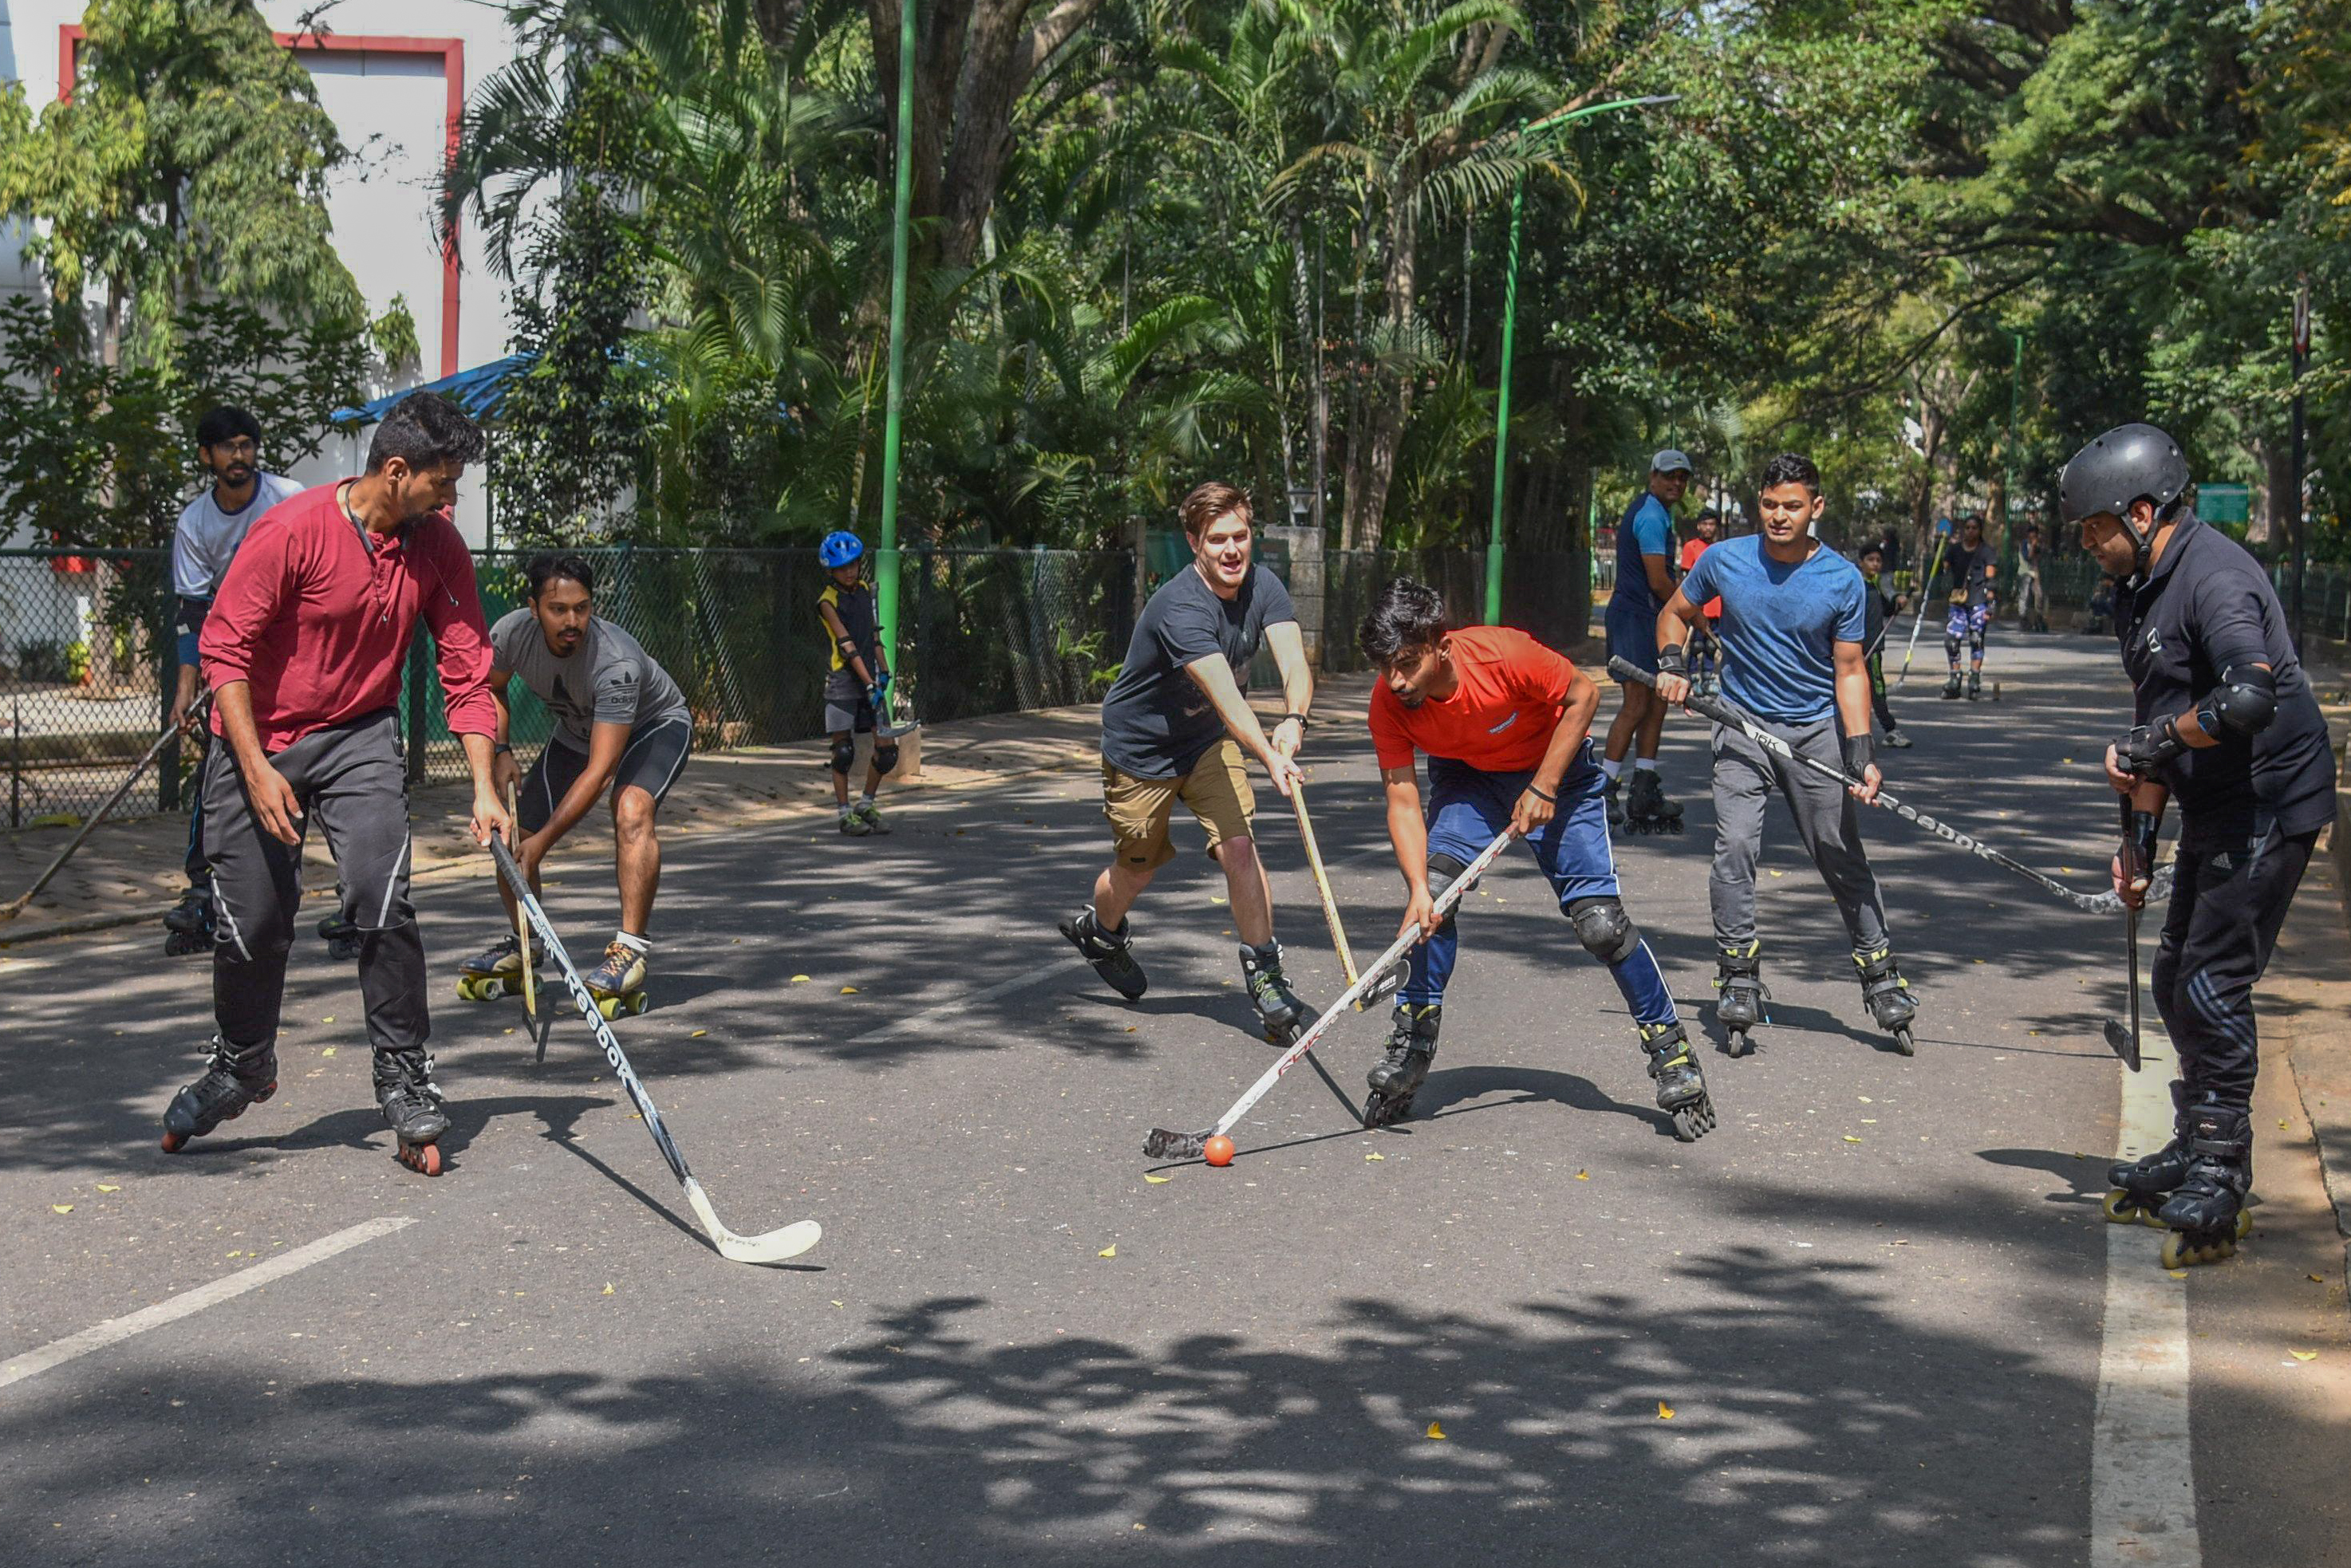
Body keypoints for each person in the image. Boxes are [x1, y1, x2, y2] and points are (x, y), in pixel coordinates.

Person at [160, 394, 507, 1177]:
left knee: (381, 898)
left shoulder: (438, 547)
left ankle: (402, 1070)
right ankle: (243, 1061)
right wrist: (253, 769)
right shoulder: (292, 531)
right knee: (252, 923)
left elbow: (467, 668)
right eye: (441, 484)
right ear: (395, 471)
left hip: (359, 735)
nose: (450, 500)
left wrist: (484, 786)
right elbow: (226, 652)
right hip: (260, 737)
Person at [2065, 423, 2337, 1269]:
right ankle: (2196, 1138)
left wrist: (2157, 744)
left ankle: (2223, 1168)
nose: (2086, 543)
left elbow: (2248, 697)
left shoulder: (2213, 579)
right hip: (2214, 804)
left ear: (2141, 512)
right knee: (2172, 970)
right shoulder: (2140, 585)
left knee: (2213, 982)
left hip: (2268, 803)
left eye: (2093, 527)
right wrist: (2138, 845)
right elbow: (2156, 726)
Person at [1358, 580, 1714, 1140]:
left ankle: (1670, 1051)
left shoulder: (1504, 654)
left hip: (1559, 772)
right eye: (1385, 667)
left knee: (1600, 924)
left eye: (1406, 664)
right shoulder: (1390, 701)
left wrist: (1544, 786)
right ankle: (1412, 1041)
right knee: (1434, 904)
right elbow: (1401, 798)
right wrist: (1417, 890)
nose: (1396, 681)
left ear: (1441, 646)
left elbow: (1584, 696)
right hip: (1469, 781)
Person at [1655, 452, 1920, 1056]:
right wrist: (1671, 664)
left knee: (1837, 851)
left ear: (1815, 508)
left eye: (1793, 506)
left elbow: (1850, 669)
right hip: (1741, 725)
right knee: (1736, 846)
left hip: (1812, 732)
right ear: (1760, 504)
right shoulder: (1724, 560)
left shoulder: (1841, 579)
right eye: (1770, 505)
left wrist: (1859, 754)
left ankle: (1880, 976)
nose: (1779, 516)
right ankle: (1738, 975)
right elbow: (1674, 614)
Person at [1059, 481, 1316, 1042]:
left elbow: (1295, 661)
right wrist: (1270, 756)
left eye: (1240, 536)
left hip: (1205, 744)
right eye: (1217, 539)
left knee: (1239, 845)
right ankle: (1098, 930)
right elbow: (1228, 698)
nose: (1232, 550)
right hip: (1142, 751)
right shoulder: (1179, 607)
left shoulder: (1262, 586)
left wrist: (1294, 720)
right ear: (1194, 541)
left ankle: (1266, 977)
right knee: (1139, 868)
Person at [460, 552, 695, 1014]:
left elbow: (601, 771)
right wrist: (502, 750)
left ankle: (630, 950)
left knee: (630, 810)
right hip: (578, 733)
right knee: (509, 836)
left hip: (655, 727)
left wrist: (545, 842)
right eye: (558, 609)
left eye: (582, 608)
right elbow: (491, 686)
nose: (573, 620)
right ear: (533, 608)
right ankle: (526, 942)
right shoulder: (511, 633)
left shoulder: (615, 660)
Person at [161, 407, 304, 954]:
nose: (239, 457)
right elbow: (194, 613)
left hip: (295, 651)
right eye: (227, 448)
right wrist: (187, 686)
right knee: (221, 771)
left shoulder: (288, 497)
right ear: (207, 457)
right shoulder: (196, 524)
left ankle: (355, 897)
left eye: (247, 445)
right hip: (234, 657)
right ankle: (203, 889)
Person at [1601, 450, 1693, 832]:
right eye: (1669, 476)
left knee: (1657, 703)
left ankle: (1644, 787)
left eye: (1682, 478)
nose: (1676, 483)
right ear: (1653, 476)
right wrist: (1691, 610)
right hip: (1633, 618)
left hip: (1647, 618)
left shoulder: (1659, 513)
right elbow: (1658, 581)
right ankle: (1603, 788)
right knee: (1637, 702)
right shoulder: (1651, 514)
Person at [813, 530, 901, 837]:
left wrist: (885, 672)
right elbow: (846, 645)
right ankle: (844, 812)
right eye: (842, 567)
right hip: (844, 680)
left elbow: (873, 635)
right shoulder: (828, 601)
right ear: (831, 571)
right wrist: (868, 683)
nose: (850, 571)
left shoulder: (865, 590)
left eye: (853, 564)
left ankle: (866, 803)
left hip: (870, 677)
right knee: (843, 751)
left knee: (887, 749)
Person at [1933, 513, 1998, 700]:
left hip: (1978, 601)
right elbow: (1942, 567)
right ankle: (1954, 678)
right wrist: (1939, 547)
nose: (1970, 531)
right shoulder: (1954, 550)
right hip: (1958, 602)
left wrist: (1991, 605)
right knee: (1951, 640)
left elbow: (1991, 579)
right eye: (1967, 528)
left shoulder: (1986, 552)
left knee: (1976, 639)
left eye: (1974, 528)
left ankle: (1974, 679)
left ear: (1980, 530)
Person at [1856, 543, 1911, 748]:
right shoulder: (1855, 586)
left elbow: (1885, 611)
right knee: (1852, 689)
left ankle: (1889, 730)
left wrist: (1898, 602)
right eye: (1871, 560)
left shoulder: (1877, 586)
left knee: (1877, 689)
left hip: (1874, 647)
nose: (1875, 564)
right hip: (1855, 646)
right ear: (1861, 562)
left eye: (1878, 560)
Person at [1678, 509, 1725, 698]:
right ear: (1698, 526)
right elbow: (1685, 576)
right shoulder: (1691, 547)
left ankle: (1708, 677)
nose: (1708, 528)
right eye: (1704, 524)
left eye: (1712, 524)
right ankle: (1693, 677)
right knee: (1696, 644)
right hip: (1698, 606)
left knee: (1711, 645)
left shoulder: (1721, 548)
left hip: (1717, 606)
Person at [2015, 521, 2049, 634]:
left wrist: (2038, 547)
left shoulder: (2039, 544)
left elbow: (2040, 557)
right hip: (2025, 572)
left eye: (2035, 535)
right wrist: (2033, 546)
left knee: (2039, 596)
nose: (2033, 537)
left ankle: (2039, 618)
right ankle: (2023, 618)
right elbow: (2028, 557)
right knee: (2024, 596)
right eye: (2032, 534)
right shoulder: (2024, 544)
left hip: (2036, 573)